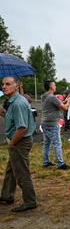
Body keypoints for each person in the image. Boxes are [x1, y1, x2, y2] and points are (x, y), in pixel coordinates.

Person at [0, 77, 37, 212]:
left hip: (20, 142)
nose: (4, 86)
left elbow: (22, 127)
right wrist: (2, 113)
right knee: (11, 169)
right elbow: (14, 120)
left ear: (17, 87)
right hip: (19, 141)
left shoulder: (18, 103)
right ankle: (6, 195)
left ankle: (30, 201)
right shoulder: (12, 101)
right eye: (3, 84)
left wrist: (11, 144)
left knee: (21, 172)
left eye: (8, 84)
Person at [41, 81, 70, 169]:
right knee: (57, 143)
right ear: (51, 87)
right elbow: (64, 107)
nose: (56, 86)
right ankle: (60, 163)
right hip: (52, 124)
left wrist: (65, 100)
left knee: (46, 143)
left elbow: (57, 103)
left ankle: (45, 162)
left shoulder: (45, 96)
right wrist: (69, 101)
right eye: (54, 85)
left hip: (45, 123)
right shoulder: (51, 97)